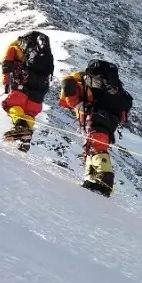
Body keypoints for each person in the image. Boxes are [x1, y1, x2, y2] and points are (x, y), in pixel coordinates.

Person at [58, 60, 132, 197]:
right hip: (112, 120)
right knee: (93, 145)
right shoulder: (115, 87)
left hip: (95, 114)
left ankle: (104, 179)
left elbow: (68, 97)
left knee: (95, 145)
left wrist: (79, 106)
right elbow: (124, 111)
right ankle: (91, 179)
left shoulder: (79, 80)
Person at [0, 31, 54, 152]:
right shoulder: (45, 52)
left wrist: (6, 81)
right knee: (30, 112)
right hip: (42, 85)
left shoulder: (15, 46)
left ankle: (20, 129)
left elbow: (6, 64)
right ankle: (25, 139)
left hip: (23, 80)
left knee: (13, 105)